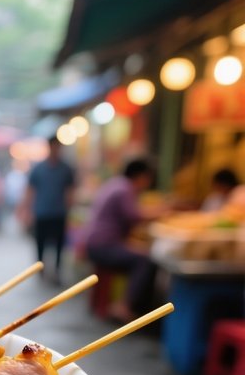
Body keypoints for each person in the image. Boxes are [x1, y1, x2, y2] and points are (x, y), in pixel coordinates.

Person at [84, 158, 162, 322]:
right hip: (102, 246)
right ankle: (124, 306)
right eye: (148, 178)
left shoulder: (115, 184)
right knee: (144, 260)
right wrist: (162, 212)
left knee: (142, 255)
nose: (148, 183)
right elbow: (134, 215)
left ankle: (123, 304)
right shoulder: (125, 189)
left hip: (96, 243)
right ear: (140, 176)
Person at [19, 136, 75, 283]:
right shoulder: (38, 169)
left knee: (58, 246)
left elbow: (69, 192)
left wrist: (69, 211)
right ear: (49, 147)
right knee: (40, 244)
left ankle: (56, 270)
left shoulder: (66, 169)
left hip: (59, 213)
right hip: (42, 212)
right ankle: (40, 270)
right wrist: (26, 210)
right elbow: (30, 191)